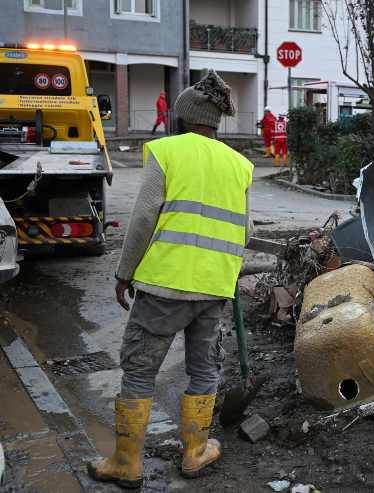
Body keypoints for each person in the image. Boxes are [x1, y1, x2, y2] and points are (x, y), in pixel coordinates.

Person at [87, 70, 254, 489]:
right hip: (214, 289)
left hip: (165, 287)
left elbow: (143, 217)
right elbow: (244, 230)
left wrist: (124, 273)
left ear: (181, 116)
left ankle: (127, 463)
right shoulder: (241, 164)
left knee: (140, 371)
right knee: (204, 371)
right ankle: (195, 453)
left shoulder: (166, 151)